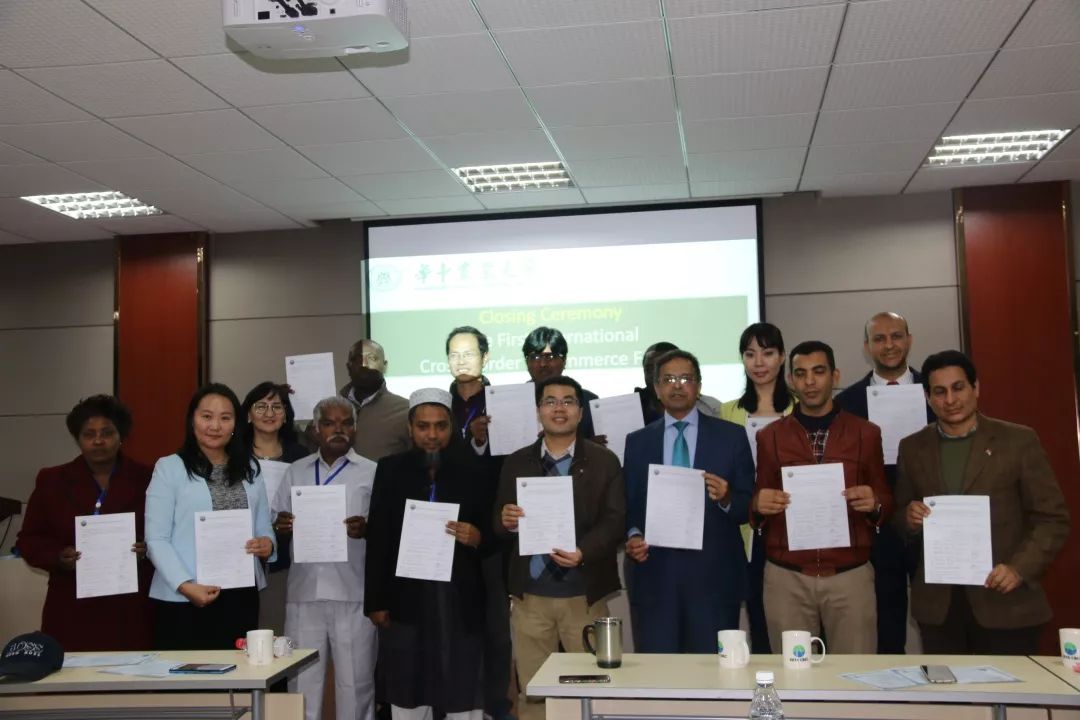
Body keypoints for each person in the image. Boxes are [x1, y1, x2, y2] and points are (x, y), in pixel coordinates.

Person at [895, 350, 1070, 654]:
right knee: (947, 686)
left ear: (976, 388)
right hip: (939, 608)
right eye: (940, 391)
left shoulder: (1018, 441)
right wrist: (908, 519)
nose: (950, 399)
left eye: (958, 388)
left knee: (1012, 686)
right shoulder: (912, 448)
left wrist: (1019, 568)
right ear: (928, 398)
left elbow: (1052, 519)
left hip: (1006, 602)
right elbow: (899, 517)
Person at [496, 375, 624, 720]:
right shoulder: (516, 461)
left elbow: (615, 521)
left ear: (580, 412)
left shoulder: (604, 461)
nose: (559, 408)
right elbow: (499, 522)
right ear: (538, 411)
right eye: (550, 401)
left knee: (594, 691)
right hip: (530, 597)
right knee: (535, 694)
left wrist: (583, 551)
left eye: (568, 401)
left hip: (584, 593)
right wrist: (506, 520)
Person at [752, 341, 892, 654]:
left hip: (849, 574)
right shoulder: (770, 436)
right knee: (793, 673)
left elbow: (884, 497)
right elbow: (759, 498)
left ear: (835, 375)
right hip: (787, 576)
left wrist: (875, 503)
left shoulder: (866, 433)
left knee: (855, 673)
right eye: (801, 374)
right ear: (791, 380)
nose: (810, 381)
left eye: (818, 372)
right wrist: (758, 505)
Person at [365, 389, 495, 720]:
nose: (432, 435)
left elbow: (494, 533)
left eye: (440, 426)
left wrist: (478, 537)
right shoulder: (390, 469)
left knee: (464, 686)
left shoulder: (475, 470)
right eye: (423, 426)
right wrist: (376, 601)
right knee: (408, 686)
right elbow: (378, 536)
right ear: (410, 428)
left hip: (459, 598)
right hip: (406, 597)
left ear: (451, 427)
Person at [624, 349, 754, 652]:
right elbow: (630, 504)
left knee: (713, 671)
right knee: (660, 670)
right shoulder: (638, 441)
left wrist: (727, 497)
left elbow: (747, 506)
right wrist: (633, 535)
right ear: (656, 388)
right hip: (657, 576)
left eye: (686, 378)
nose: (677, 386)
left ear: (699, 386)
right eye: (668, 379)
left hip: (714, 577)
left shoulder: (731, 436)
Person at [16, 395, 154, 651]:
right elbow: (29, 539)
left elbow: (165, 535)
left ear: (121, 436)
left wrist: (148, 550)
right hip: (71, 605)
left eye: (107, 433)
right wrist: (59, 556)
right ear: (77, 438)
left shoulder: (148, 478)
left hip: (130, 607)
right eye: (88, 434)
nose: (98, 441)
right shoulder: (52, 480)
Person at [145, 383, 276, 650]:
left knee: (240, 673)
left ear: (235, 424)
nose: (215, 426)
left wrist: (267, 544)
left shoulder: (250, 468)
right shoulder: (169, 468)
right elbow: (156, 539)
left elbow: (264, 527)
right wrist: (185, 585)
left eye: (225, 418)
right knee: (187, 674)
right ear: (192, 420)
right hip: (185, 596)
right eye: (207, 416)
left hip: (241, 595)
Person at [273, 397, 377, 720]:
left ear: (355, 429)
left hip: (354, 592)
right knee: (301, 686)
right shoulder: (296, 471)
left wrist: (367, 529)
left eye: (346, 423)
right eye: (330, 423)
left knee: (356, 686)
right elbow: (276, 519)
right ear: (316, 430)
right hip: (304, 594)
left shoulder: (373, 472)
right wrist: (281, 525)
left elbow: (387, 530)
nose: (338, 430)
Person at [835, 311, 933, 654]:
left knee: (938, 620)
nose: (889, 345)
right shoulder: (846, 403)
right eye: (879, 338)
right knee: (886, 624)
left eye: (896, 336)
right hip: (874, 526)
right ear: (867, 347)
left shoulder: (936, 392)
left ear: (909, 340)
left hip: (929, 521)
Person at [444, 325, 513, 720]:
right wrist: (466, 437)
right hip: (445, 529)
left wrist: (483, 441)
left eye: (469, 353)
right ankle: (456, 704)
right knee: (452, 622)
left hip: (492, 531)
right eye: (454, 354)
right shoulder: (437, 405)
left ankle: (495, 705)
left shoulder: (505, 402)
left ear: (485, 357)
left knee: (495, 627)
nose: (461, 361)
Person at [719, 323, 796, 654]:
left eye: (767, 353)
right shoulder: (727, 411)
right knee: (758, 618)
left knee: (797, 625)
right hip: (745, 529)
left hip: (793, 523)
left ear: (782, 357)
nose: (759, 362)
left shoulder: (799, 408)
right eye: (750, 354)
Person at [242, 381, 308, 636]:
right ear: (248, 414)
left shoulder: (300, 454)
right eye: (261, 406)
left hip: (287, 556)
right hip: (243, 550)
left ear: (286, 415)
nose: (269, 413)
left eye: (277, 407)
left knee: (278, 627)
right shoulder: (233, 453)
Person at [521, 327, 602, 441]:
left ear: (564, 361)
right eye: (536, 357)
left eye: (551, 356)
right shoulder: (511, 402)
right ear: (526, 362)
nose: (543, 364)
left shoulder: (588, 401)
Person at [339, 338, 411, 461]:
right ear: (348, 367)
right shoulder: (330, 410)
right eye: (357, 359)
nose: (364, 365)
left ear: (385, 366)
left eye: (372, 358)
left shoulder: (406, 410)